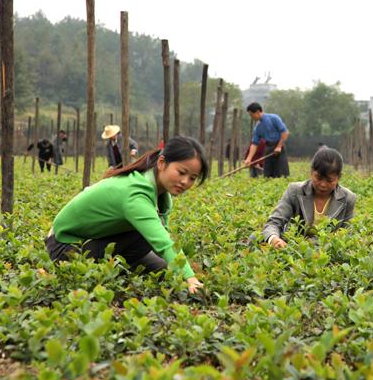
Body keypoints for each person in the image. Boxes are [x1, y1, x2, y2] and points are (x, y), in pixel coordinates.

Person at [45, 136, 209, 293]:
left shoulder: (162, 196)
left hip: (96, 242)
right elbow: (162, 241)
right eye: (181, 172)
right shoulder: (136, 193)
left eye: (192, 178)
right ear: (161, 163)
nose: (185, 182)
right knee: (150, 239)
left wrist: (181, 268)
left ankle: (120, 266)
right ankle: (100, 270)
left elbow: (162, 239)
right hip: (65, 246)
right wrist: (190, 277)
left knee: (165, 269)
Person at [262, 147, 356, 248]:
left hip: (326, 250)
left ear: (339, 178)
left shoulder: (348, 198)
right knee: (256, 237)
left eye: (329, 180)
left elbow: (347, 235)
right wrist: (275, 239)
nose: (323, 184)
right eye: (319, 178)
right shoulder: (294, 190)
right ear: (311, 172)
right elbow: (274, 222)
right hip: (291, 246)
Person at [244, 102, 290, 178]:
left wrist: (278, 146)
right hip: (268, 148)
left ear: (258, 112)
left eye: (251, 115)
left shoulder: (274, 118)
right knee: (268, 175)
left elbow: (285, 133)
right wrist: (249, 159)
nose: (251, 117)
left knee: (282, 174)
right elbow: (254, 144)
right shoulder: (258, 127)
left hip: (279, 148)